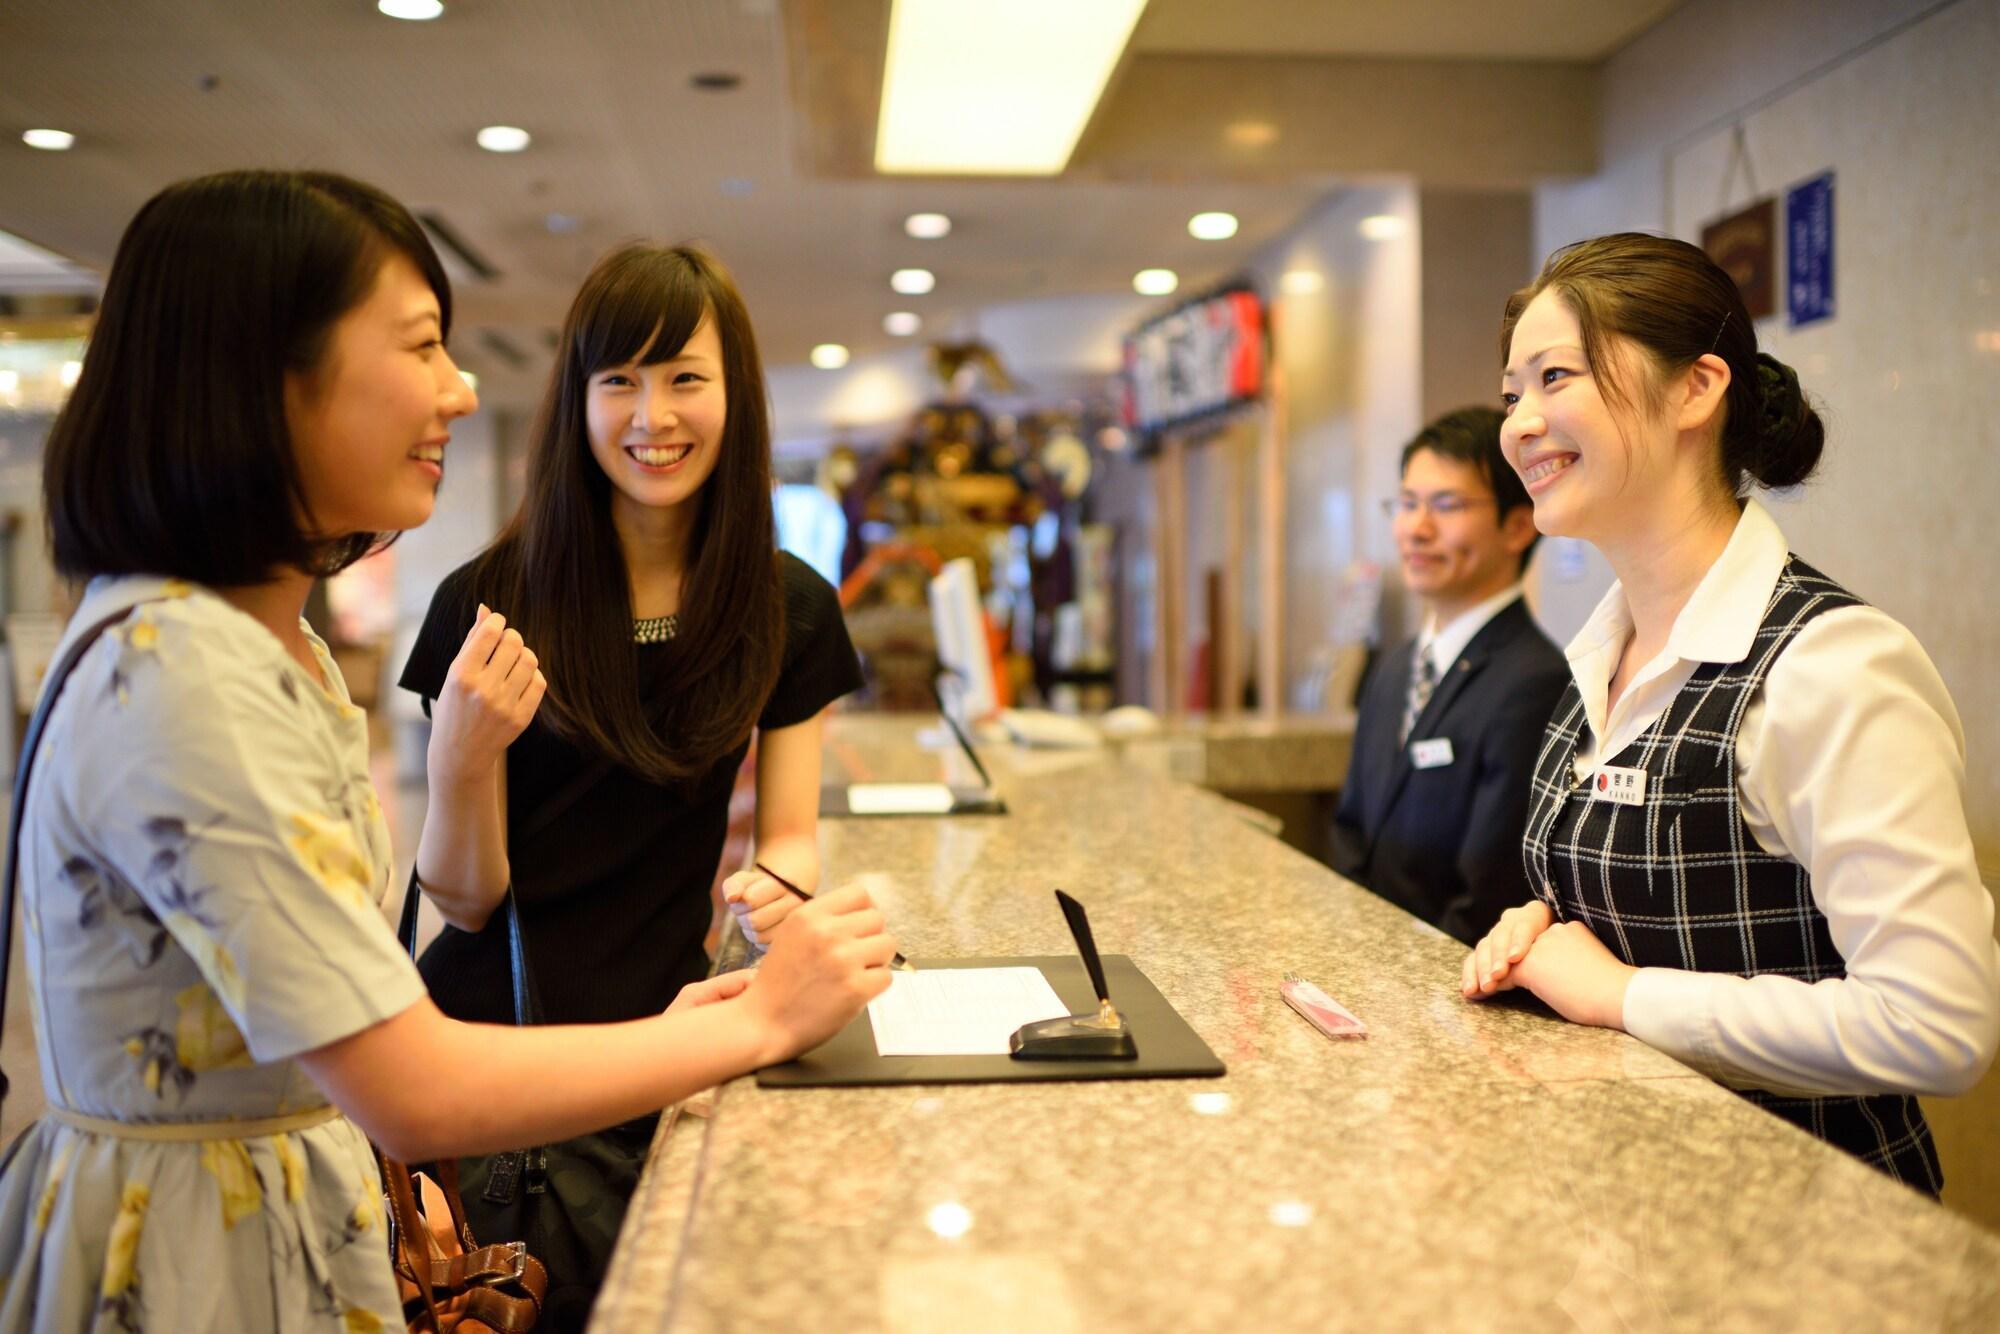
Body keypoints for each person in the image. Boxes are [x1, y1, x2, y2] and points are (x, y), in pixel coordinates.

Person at [0, 171, 896, 1332]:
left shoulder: (274, 653)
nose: (464, 391)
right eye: (421, 346)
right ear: (261, 380)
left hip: (303, 1220)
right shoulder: (188, 676)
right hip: (196, 1265)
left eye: (684, 377)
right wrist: (756, 1021)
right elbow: (414, 1076)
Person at [1461, 232, 1999, 1192]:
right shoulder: (1604, 648)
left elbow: (1938, 1028)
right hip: (1628, 1194)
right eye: (1513, 394)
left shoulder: (1832, 665)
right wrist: (1543, 932)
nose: (1520, 424)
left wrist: (1624, 996)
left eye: (1555, 378)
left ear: (1697, 388)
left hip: (1805, 1231)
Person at [395, 242, 865, 1306]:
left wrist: (777, 891)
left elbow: (785, 834)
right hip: (496, 1045)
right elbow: (463, 899)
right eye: (620, 381)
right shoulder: (489, 601)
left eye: (684, 378)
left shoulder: (784, 604)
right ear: (580, 402)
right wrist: (460, 749)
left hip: (670, 1030)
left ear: (733, 395)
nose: (653, 415)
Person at [1330, 407, 1568, 945]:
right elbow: (1349, 830)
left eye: (1447, 505)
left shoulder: (1536, 681)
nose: (1417, 528)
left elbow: (1490, 890)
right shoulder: (1396, 666)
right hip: (1364, 973)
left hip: (1445, 990)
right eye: (1407, 504)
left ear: (1517, 525)